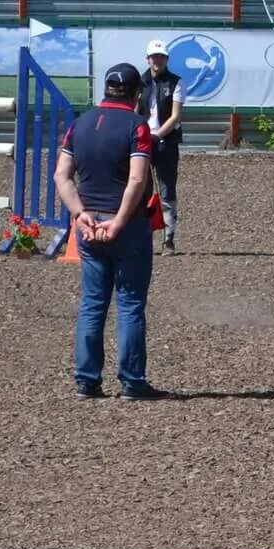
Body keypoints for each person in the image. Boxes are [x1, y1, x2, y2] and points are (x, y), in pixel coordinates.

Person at [54, 61, 162, 400]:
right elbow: (137, 178)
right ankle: (132, 381)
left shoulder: (79, 124)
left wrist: (79, 213)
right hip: (126, 224)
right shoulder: (138, 126)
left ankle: (87, 379)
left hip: (89, 224)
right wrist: (118, 221)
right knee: (129, 303)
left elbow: (61, 176)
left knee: (92, 303)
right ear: (136, 92)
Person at [138, 40, 185, 254]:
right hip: (142, 141)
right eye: (154, 56)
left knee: (167, 189)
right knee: (141, 189)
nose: (157, 60)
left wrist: (157, 135)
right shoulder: (139, 82)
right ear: (147, 59)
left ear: (166, 59)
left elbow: (175, 116)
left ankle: (169, 239)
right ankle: (142, 236)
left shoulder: (176, 82)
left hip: (166, 141)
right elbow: (134, 111)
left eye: (161, 56)